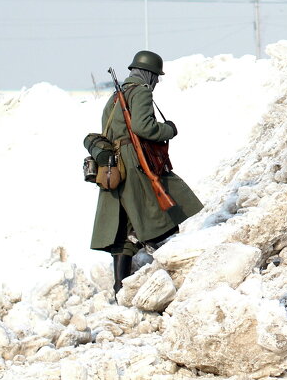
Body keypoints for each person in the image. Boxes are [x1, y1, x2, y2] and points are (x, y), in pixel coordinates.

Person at [86, 50, 202, 295]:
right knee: (165, 217)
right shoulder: (140, 91)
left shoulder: (115, 97)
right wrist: (168, 129)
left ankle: (120, 288)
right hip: (135, 163)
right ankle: (173, 271)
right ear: (148, 74)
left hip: (116, 167)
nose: (156, 81)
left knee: (124, 227)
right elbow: (143, 127)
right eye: (156, 76)